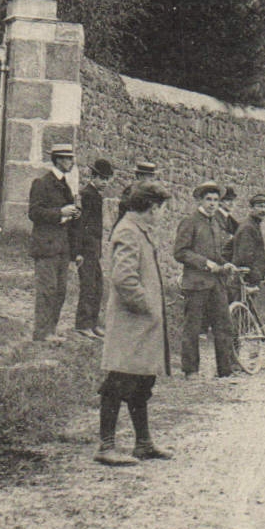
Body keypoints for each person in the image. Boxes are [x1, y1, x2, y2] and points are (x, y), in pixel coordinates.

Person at [95, 182, 174, 466]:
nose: (163, 214)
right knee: (118, 382)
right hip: (131, 324)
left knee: (141, 382)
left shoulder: (140, 231)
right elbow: (124, 279)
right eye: (162, 208)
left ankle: (143, 443)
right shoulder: (128, 231)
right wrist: (147, 305)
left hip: (143, 325)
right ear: (152, 208)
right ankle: (106, 446)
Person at [174, 181, 237, 379]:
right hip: (196, 283)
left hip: (216, 283)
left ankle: (225, 370)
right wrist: (205, 263)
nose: (212, 204)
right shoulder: (190, 222)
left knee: (223, 325)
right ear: (200, 201)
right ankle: (191, 370)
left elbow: (217, 253)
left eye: (216, 200)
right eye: (208, 200)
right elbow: (180, 252)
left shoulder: (217, 223)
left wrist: (225, 264)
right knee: (193, 327)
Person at [29, 142, 79, 343]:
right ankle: (42, 332)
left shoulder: (66, 184)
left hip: (62, 246)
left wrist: (73, 214)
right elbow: (34, 213)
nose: (71, 162)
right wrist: (61, 213)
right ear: (58, 160)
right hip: (46, 246)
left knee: (60, 291)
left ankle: (52, 329)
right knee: (47, 290)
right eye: (67, 158)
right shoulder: (42, 183)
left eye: (71, 158)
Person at [73, 158, 114, 339]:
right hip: (86, 249)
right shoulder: (87, 195)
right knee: (88, 286)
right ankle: (83, 324)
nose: (105, 183)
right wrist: (78, 252)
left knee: (98, 286)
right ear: (93, 177)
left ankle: (93, 323)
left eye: (107, 179)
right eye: (102, 179)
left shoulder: (95, 194)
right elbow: (80, 225)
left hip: (94, 250)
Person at [230, 192, 265, 307]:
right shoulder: (248, 227)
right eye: (260, 206)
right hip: (246, 277)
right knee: (242, 311)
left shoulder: (254, 225)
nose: (263, 210)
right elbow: (245, 256)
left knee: (247, 313)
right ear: (251, 208)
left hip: (251, 277)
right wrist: (255, 275)